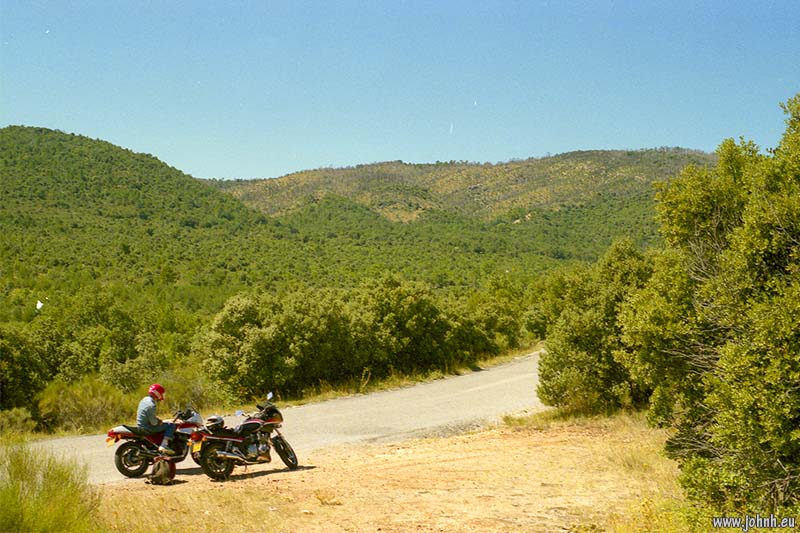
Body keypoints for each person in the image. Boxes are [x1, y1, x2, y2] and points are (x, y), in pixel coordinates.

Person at [137, 383, 176, 455]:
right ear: (157, 393)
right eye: (161, 393)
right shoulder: (151, 404)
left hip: (141, 425)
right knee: (171, 425)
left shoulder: (144, 400)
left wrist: (157, 419)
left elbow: (148, 415)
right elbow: (154, 423)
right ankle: (164, 446)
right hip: (147, 427)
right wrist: (159, 422)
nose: (162, 395)